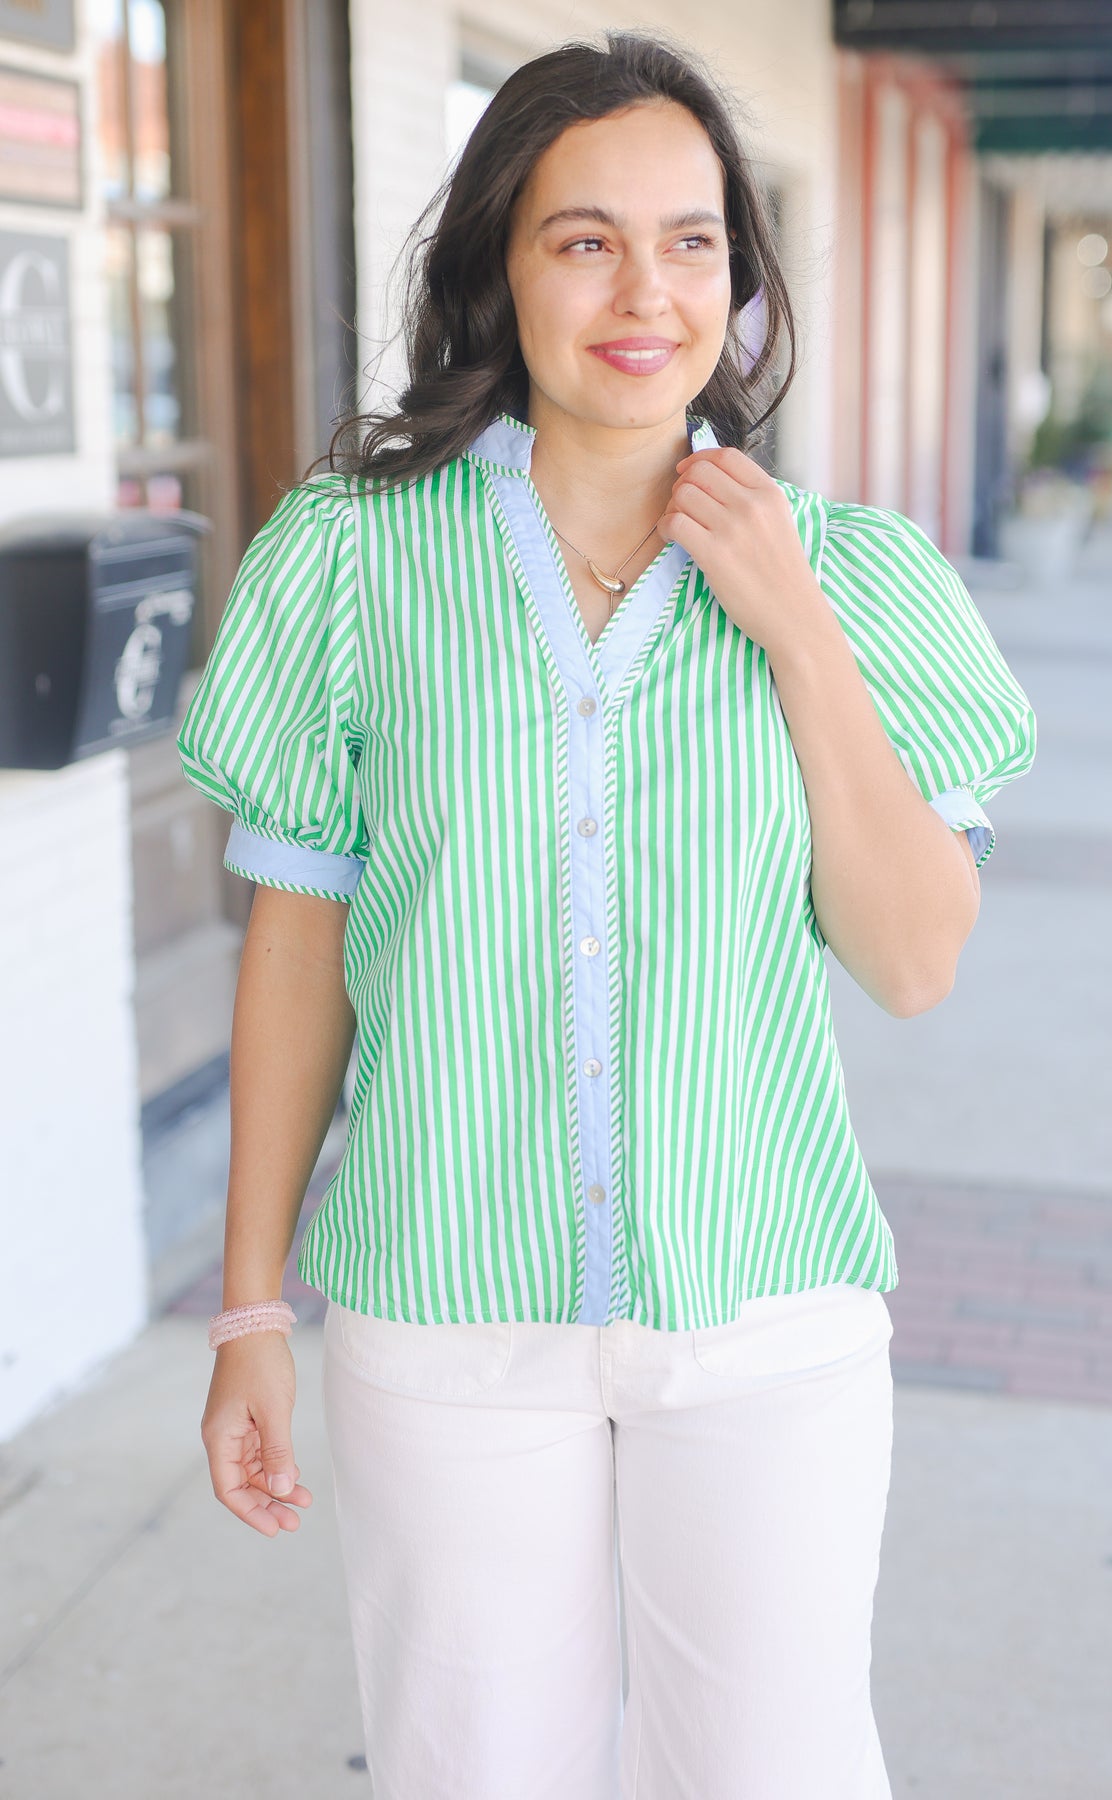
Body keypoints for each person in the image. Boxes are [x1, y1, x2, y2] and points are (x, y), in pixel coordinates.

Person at [179, 28, 1036, 1800]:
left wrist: (792, 622)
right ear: (500, 263)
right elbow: (295, 954)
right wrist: (252, 1308)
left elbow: (913, 957)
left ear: (741, 271)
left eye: (691, 239)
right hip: (442, 1303)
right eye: (584, 239)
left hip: (765, 1313)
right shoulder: (352, 557)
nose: (645, 290)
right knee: (474, 1770)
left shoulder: (858, 574)